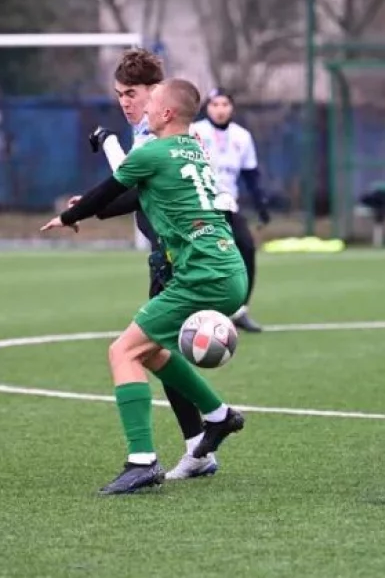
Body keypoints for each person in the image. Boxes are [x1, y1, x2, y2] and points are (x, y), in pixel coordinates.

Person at [42, 78, 247, 495]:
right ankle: (218, 415)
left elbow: (109, 190)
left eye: (151, 103)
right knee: (151, 352)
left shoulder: (152, 151)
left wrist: (68, 217)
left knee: (122, 351)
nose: (145, 109)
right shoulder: (193, 148)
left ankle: (142, 460)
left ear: (167, 113)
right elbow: (126, 195)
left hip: (201, 274)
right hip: (228, 269)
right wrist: (89, 207)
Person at [82, 49, 228, 482]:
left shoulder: (158, 136)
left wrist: (107, 146)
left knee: (142, 350)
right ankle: (203, 435)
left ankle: (165, 453)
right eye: (119, 95)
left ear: (155, 95)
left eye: (133, 94)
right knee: (156, 352)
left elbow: (129, 181)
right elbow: (136, 192)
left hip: (180, 255)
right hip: (171, 252)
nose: (126, 102)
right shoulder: (163, 132)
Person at [188, 88, 269, 333]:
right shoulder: (195, 132)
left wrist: (261, 204)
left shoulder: (242, 136)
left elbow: (250, 174)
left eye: (224, 104)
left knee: (246, 248)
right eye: (215, 104)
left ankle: (239, 310)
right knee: (197, 258)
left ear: (231, 107)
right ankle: (190, 312)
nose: (220, 109)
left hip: (228, 206)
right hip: (198, 207)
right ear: (207, 107)